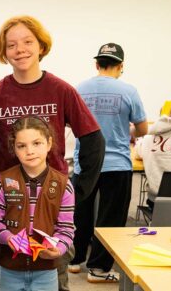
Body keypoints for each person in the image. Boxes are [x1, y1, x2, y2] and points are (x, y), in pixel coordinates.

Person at [0, 15, 105, 291]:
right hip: (8, 204)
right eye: (12, 45)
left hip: (51, 204)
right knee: (5, 279)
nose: (20, 50)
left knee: (55, 281)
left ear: (41, 45)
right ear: (3, 52)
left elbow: (93, 138)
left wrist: (81, 187)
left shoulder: (61, 90)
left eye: (28, 42)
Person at [69, 43, 148, 282]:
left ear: (97, 64)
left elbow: (71, 124)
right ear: (121, 66)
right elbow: (143, 129)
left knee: (78, 214)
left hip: (85, 164)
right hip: (117, 164)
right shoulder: (129, 90)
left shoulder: (79, 89)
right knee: (110, 217)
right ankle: (99, 269)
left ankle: (74, 260)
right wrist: (127, 129)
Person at [0, 116, 75, 291]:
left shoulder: (63, 185)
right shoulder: (2, 181)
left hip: (47, 271)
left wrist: (58, 248)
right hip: (9, 270)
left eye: (37, 143)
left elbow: (66, 228)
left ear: (49, 143)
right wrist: (9, 238)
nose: (30, 151)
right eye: (22, 146)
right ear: (14, 148)